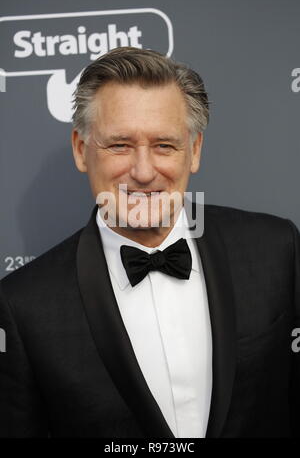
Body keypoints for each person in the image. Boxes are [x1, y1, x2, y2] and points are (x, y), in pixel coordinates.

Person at [0, 47, 299, 438]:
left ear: (194, 151)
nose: (143, 172)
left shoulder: (276, 250)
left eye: (164, 145)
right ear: (80, 149)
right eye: (120, 145)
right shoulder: (23, 306)